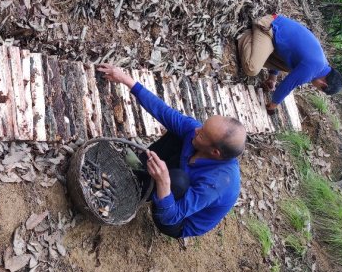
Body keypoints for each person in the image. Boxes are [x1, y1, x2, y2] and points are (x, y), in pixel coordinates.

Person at [96, 64, 246, 240]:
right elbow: (165, 112)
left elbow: (171, 217)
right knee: (179, 134)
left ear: (215, 152)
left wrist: (164, 183)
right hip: (179, 174)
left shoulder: (218, 183)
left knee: (178, 180)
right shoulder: (197, 133)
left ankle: (137, 194)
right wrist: (127, 81)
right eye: (202, 126)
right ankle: (137, 176)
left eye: (203, 134)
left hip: (178, 222)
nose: (198, 130)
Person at [236, 14, 342, 113]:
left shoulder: (320, 64)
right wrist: (274, 104)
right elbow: (287, 85)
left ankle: (257, 48)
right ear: (323, 84)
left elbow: (286, 53)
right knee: (252, 69)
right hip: (268, 27)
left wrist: (273, 77)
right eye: (319, 89)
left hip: (275, 38)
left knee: (292, 67)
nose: (316, 88)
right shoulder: (313, 67)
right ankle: (246, 36)